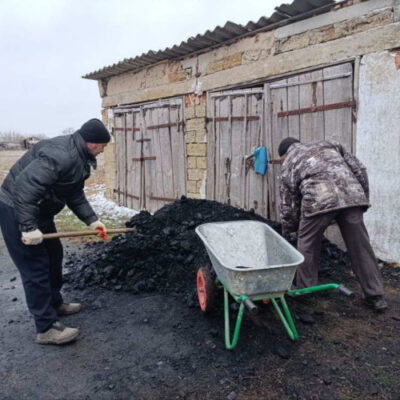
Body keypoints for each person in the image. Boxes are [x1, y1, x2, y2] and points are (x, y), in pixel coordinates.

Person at [0, 118, 111, 344]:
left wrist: (92, 220)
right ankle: (46, 328)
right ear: (93, 143)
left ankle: (55, 303)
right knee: (35, 265)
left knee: (53, 256)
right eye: (103, 146)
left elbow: (74, 194)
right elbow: (23, 189)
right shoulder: (61, 155)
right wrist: (28, 228)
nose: (103, 150)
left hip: (39, 210)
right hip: (16, 208)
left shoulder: (79, 157)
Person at [278, 137, 387, 311]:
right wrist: (362, 198)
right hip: (352, 196)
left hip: (318, 200)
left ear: (284, 155)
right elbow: (359, 169)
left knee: (306, 244)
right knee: (361, 247)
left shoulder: (288, 162)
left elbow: (288, 203)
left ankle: (306, 290)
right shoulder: (330, 144)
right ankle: (375, 296)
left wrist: (290, 230)